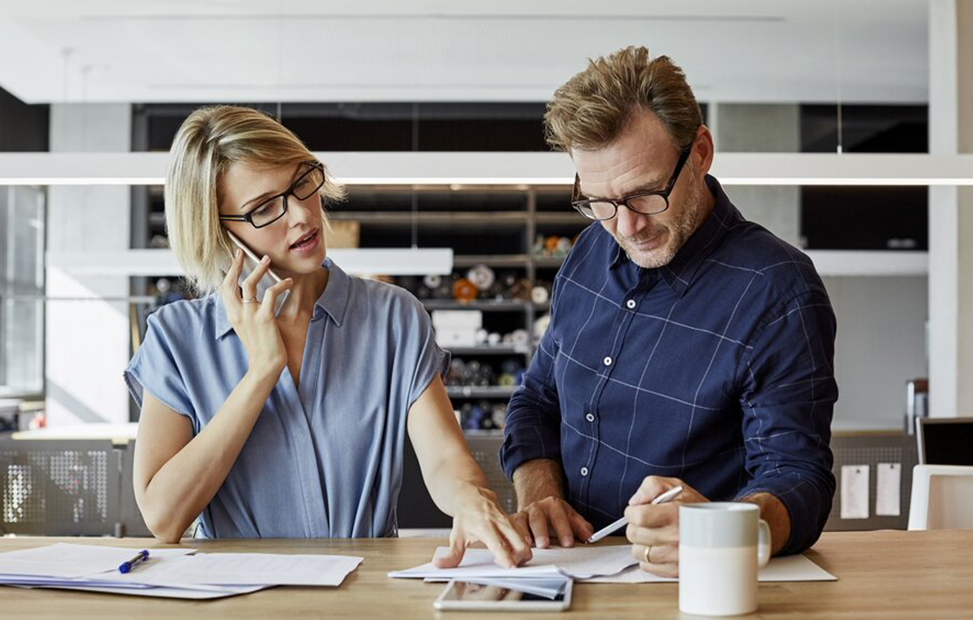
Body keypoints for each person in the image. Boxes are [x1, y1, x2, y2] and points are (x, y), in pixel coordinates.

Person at [125, 105, 530, 569]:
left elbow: (444, 462)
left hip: (363, 595)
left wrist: (470, 501)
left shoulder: (392, 317)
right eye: (264, 208)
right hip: (236, 599)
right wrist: (261, 373)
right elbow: (163, 516)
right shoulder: (178, 338)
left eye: (301, 183)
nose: (301, 214)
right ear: (219, 233)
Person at [500, 46, 837, 577]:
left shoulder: (777, 289)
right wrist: (538, 492)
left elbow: (798, 475)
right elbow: (538, 399)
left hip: (692, 583)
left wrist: (723, 529)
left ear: (699, 152)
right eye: (600, 202)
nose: (626, 227)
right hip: (566, 575)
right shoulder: (589, 251)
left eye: (644, 195)